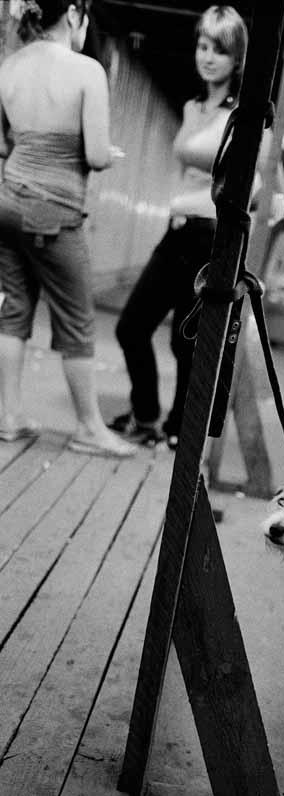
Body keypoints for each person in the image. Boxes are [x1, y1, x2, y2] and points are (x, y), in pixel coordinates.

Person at [110, 4, 250, 450]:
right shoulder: (193, 106)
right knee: (131, 327)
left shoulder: (243, 114)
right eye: (203, 46)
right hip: (178, 229)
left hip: (210, 236)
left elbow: (266, 185)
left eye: (220, 50)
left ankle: (176, 429)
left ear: (237, 58)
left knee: (185, 341)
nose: (208, 57)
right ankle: (148, 415)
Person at [0, 0, 136, 457]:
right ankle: (89, 428)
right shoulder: (86, 71)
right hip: (54, 209)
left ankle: (9, 416)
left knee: (14, 308)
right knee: (77, 321)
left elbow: (3, 144)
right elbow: (96, 155)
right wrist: (107, 154)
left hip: (7, 200)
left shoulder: (9, 67)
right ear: (75, 14)